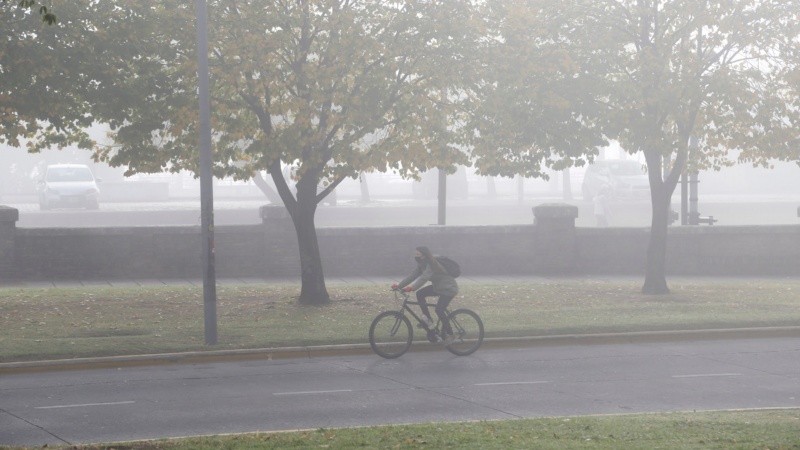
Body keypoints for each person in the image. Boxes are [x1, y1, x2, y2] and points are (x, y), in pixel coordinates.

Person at [392, 246, 459, 344]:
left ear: (424, 254)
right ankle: (428, 319)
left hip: (448, 289)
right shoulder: (421, 264)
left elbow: (424, 278)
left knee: (439, 309)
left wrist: (412, 288)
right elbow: (412, 276)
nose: (416, 254)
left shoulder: (431, 263)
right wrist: (399, 286)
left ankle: (450, 334)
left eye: (418, 253)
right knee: (420, 294)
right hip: (438, 287)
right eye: (416, 253)